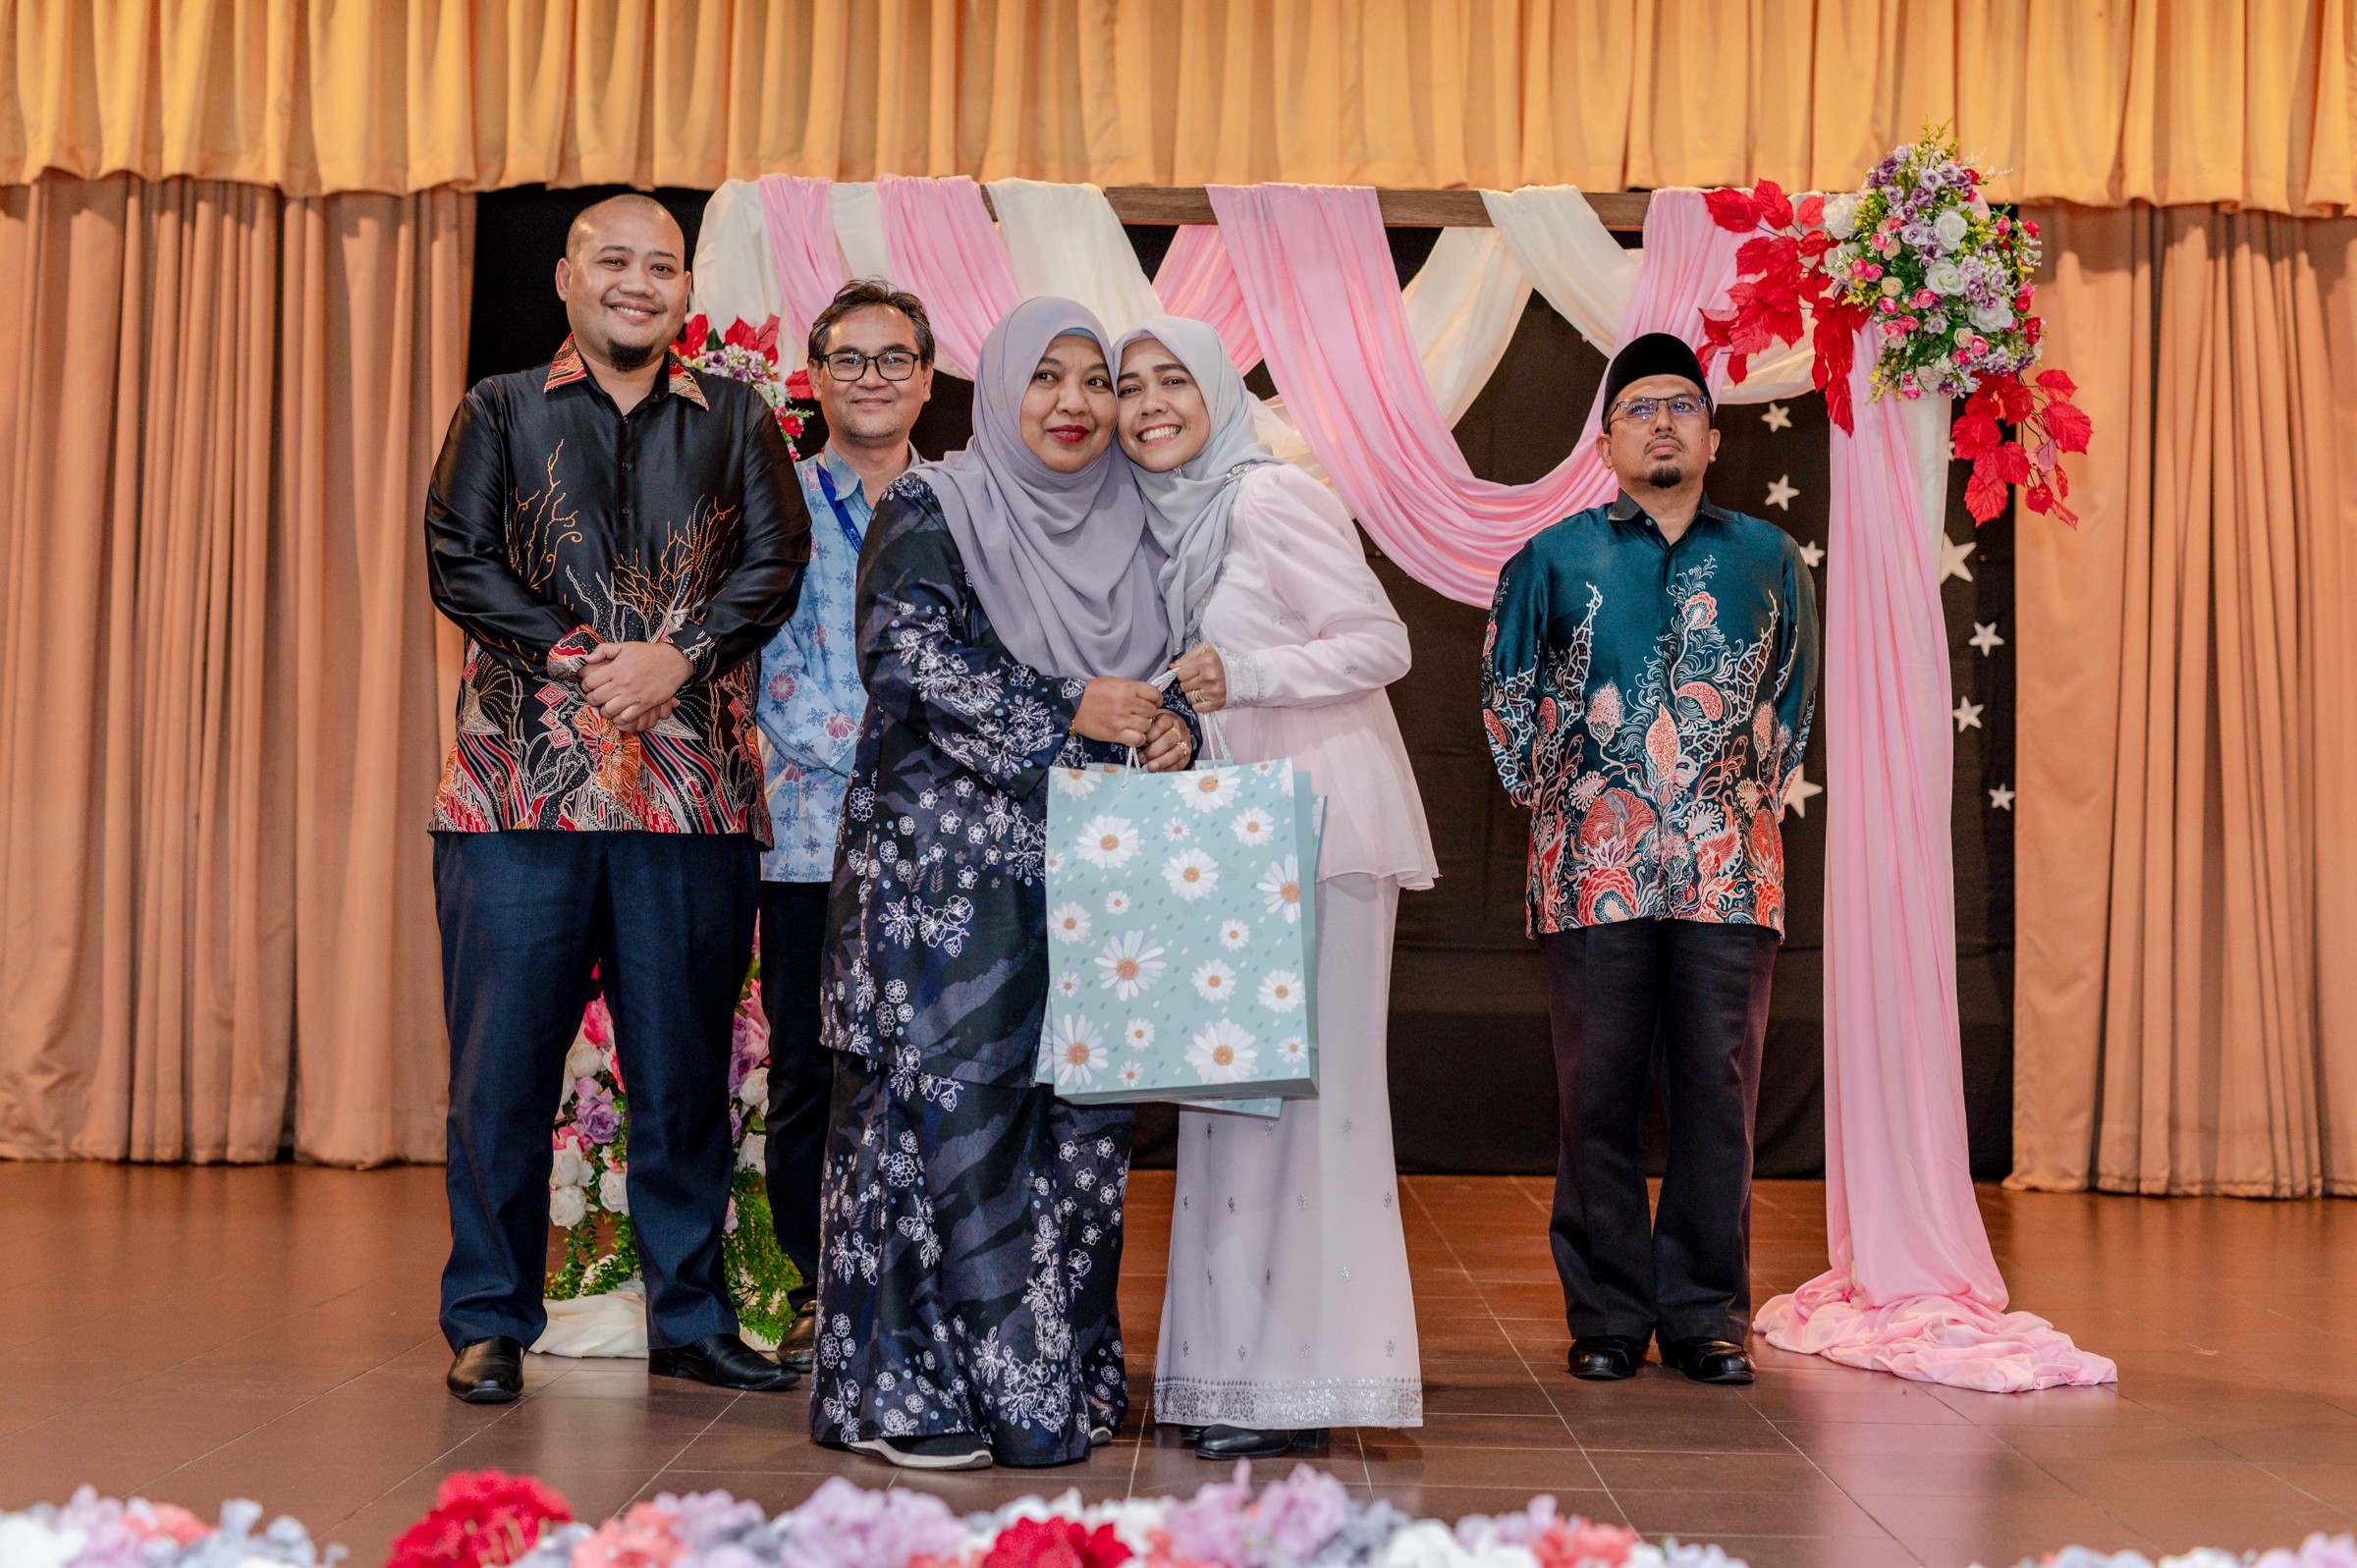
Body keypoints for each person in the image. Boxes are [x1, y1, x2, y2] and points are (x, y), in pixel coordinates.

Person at [424, 193, 810, 1405]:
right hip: (518, 795)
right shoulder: (498, 408)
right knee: (499, 1074)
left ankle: (689, 1317)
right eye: (615, 261)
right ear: (566, 277)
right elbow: (458, 557)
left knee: (685, 1072)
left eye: (663, 266)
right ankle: (490, 1318)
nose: (638, 283)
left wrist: (679, 658)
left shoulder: (738, 418)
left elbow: (775, 563)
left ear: (686, 289)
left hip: (691, 803)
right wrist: (588, 660)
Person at [812, 297, 1195, 1471]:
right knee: (944, 1131)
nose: (1075, 403)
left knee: (1078, 1136)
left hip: (1089, 880)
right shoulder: (935, 505)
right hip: (942, 890)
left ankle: (1058, 1380)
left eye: (1096, 381)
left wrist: (1173, 723)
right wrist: (1071, 706)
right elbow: (904, 658)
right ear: (999, 389)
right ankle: (914, 1394)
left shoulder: (1136, 524)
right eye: (1047, 376)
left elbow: (1177, 669)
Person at [1115, 317, 1438, 1459]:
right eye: (1131, 386)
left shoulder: (1268, 496)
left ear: (1219, 392)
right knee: (1229, 1114)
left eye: (1175, 380)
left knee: (1309, 1115)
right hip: (1233, 833)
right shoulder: (1165, 519)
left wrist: (1245, 672)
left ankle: (1302, 1385)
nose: (1151, 403)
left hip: (1323, 830)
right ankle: (1231, 1377)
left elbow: (1382, 642)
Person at [1481, 333, 1819, 1387]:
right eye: (1639, 407)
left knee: (1720, 1094)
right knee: (1598, 1095)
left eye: (1682, 405)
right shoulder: (1551, 560)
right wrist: (1582, 807)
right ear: (1606, 444)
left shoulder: (1770, 558)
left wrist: (1724, 803)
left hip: (1728, 868)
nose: (1662, 421)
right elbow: (1504, 704)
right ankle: (1611, 1313)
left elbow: (1792, 708)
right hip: (1593, 869)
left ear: (1715, 437)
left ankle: (1707, 1314)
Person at [752, 280, 937, 1376]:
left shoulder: (962, 506)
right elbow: (770, 673)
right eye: (850, 359)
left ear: (927, 378)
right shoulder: (774, 501)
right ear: (815, 377)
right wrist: (899, 746)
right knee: (811, 1074)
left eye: (894, 357)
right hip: (809, 841)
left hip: (935, 845)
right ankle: (813, 1286)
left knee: (925, 1066)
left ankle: (917, 1288)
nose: (873, 377)